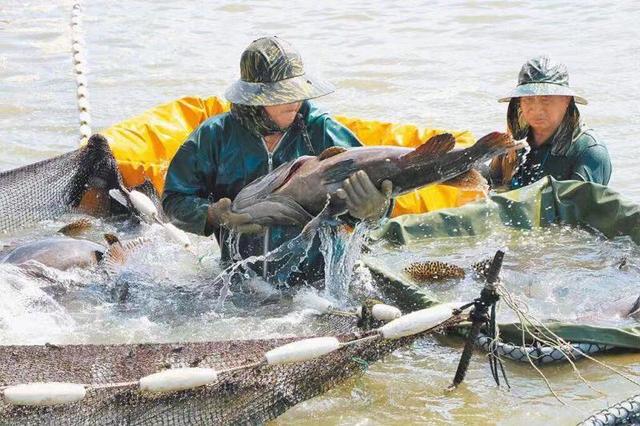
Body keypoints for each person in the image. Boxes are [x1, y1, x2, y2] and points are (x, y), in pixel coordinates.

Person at [162, 36, 392, 285]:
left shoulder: (323, 131)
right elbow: (174, 201)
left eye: (298, 92)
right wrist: (212, 215)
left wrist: (375, 210)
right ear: (254, 98)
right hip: (241, 281)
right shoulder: (213, 137)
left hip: (318, 283)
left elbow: (378, 198)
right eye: (281, 94)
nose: (294, 102)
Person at [489, 55, 612, 189]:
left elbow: (578, 207)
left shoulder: (589, 151)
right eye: (528, 100)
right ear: (519, 103)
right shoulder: (511, 146)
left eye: (545, 100)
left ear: (566, 101)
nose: (537, 109)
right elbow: (491, 188)